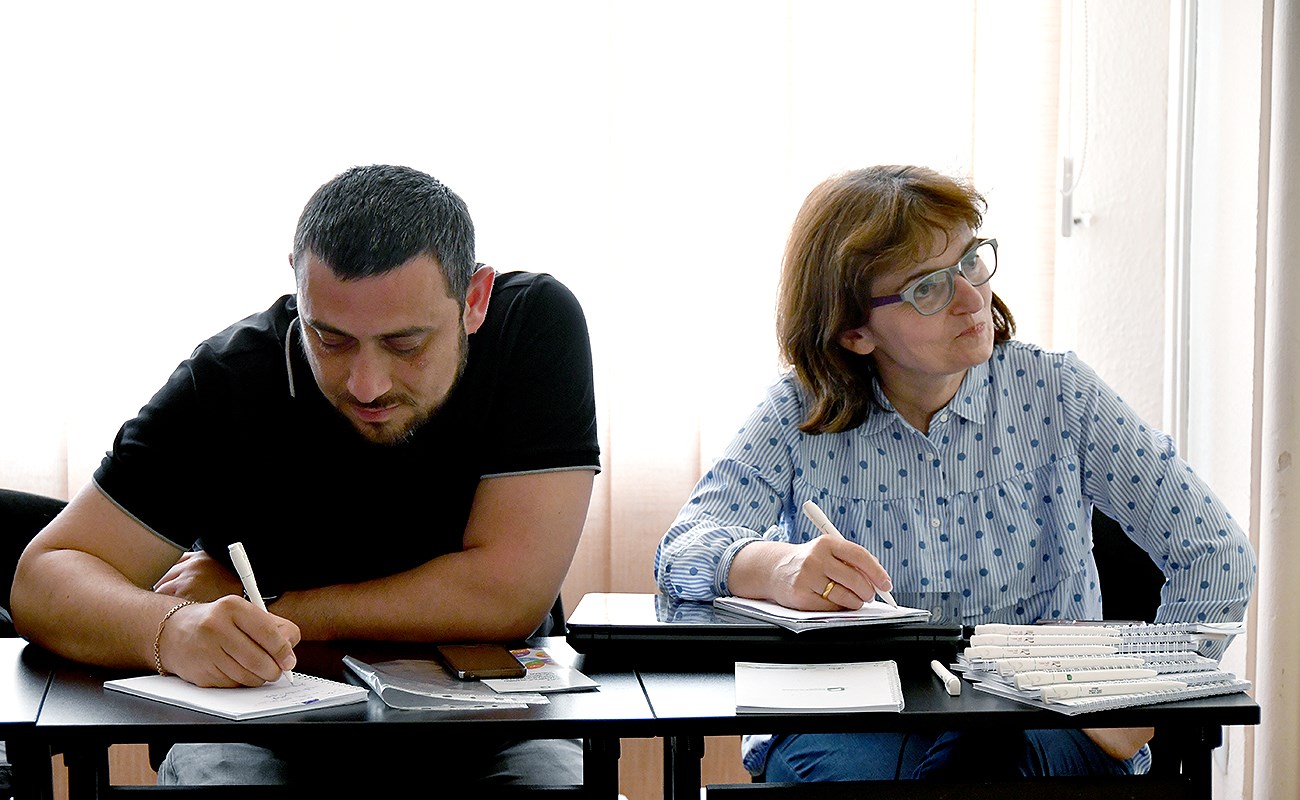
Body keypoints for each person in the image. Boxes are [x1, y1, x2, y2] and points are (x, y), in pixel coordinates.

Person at [654, 165, 1256, 782]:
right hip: (854, 713)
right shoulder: (799, 411)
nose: (972, 299)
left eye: (970, 262)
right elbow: (680, 553)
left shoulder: (1058, 392)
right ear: (855, 331)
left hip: (1042, 714)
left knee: (982, 761)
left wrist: (1143, 687)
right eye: (928, 289)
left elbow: (1217, 552)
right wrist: (775, 567)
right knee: (856, 780)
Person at [12, 165, 600, 790]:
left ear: (474, 300)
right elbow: (44, 578)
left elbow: (505, 593)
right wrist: (172, 629)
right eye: (330, 339)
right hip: (259, 724)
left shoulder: (531, 325)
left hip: (495, 721)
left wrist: (273, 607)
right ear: (297, 283)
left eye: (405, 345)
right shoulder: (229, 381)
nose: (366, 385)